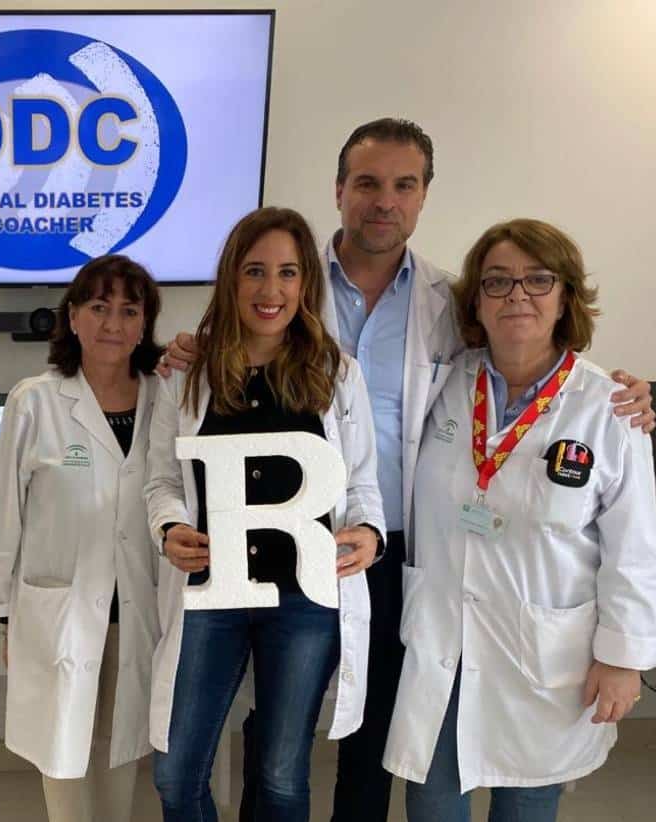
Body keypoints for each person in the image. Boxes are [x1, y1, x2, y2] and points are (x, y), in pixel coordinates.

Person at [164, 118, 656, 822]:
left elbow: (537, 363)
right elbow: (235, 349)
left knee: (375, 730)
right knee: (277, 725)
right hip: (286, 541)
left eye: (404, 185)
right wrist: (185, 348)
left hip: (394, 547)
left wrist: (623, 392)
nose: (384, 201)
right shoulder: (291, 282)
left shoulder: (449, 304)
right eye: (367, 183)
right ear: (339, 190)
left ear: (424, 195)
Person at [384, 218, 656, 821]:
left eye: (538, 280)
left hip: (544, 658)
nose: (517, 295)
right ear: (476, 302)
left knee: (527, 804)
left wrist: (623, 658)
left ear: (565, 297)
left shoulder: (609, 407)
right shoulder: (440, 385)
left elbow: (635, 549)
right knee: (431, 801)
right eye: (497, 281)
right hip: (444, 640)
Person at [145, 206, 386, 822]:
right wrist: (169, 528)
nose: (270, 289)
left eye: (287, 272)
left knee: (281, 776)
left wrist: (368, 532)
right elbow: (162, 481)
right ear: (231, 278)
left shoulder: (336, 373)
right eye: (254, 271)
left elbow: (362, 480)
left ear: (306, 283)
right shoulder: (187, 373)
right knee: (175, 773)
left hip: (303, 598)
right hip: (211, 593)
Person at [0, 255, 164, 822]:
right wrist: (7, 616)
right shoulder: (34, 400)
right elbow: (5, 515)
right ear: (74, 317)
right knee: (62, 749)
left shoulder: (167, 397)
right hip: (59, 607)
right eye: (99, 307)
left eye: (129, 311)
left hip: (139, 606)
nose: (113, 323)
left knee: (120, 746)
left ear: (144, 324)